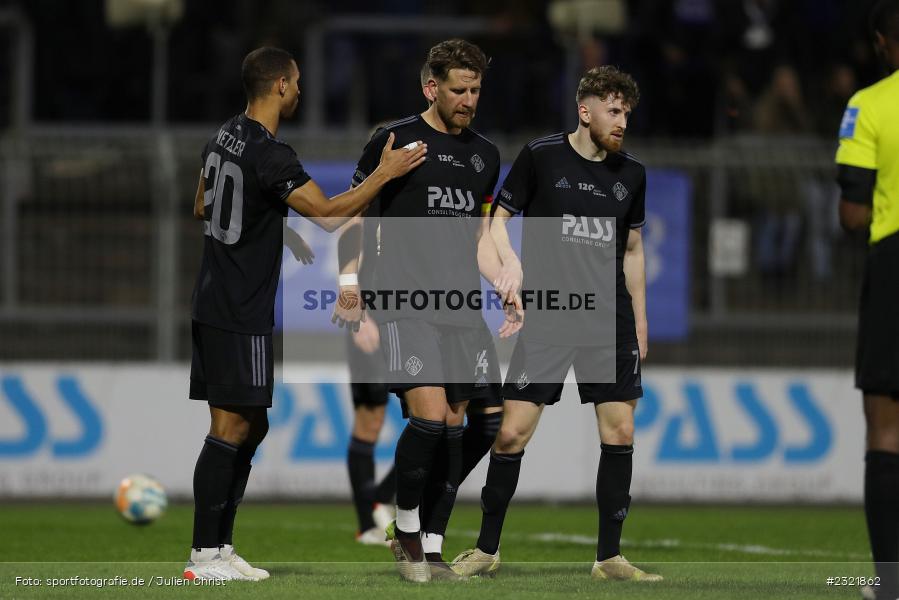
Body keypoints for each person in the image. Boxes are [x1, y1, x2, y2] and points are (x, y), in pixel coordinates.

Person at [185, 46, 426, 582]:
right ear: (279, 86)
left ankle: (220, 547)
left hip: (215, 298)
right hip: (238, 307)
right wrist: (383, 173)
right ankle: (204, 555)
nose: (299, 90)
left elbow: (202, 204)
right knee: (230, 428)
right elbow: (332, 215)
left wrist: (270, 225)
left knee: (253, 424)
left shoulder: (224, 134)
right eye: (295, 83)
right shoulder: (272, 154)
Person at [451, 65, 662, 582]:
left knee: (620, 430)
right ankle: (486, 549)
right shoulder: (542, 156)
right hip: (549, 318)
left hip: (609, 322)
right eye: (614, 111)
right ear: (585, 111)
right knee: (511, 435)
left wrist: (640, 321)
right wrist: (510, 267)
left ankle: (609, 558)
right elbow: (497, 222)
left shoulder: (632, 174)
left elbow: (633, 250)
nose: (622, 122)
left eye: (627, 113)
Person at [339, 38, 518, 583]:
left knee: (470, 422)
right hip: (405, 301)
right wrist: (349, 283)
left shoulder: (485, 155)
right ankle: (407, 531)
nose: (469, 100)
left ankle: (433, 546)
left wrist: (503, 280)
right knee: (430, 417)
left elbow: (479, 237)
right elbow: (355, 214)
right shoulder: (394, 140)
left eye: (476, 90)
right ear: (431, 88)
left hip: (461, 307)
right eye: (459, 90)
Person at [835, 2, 899, 598]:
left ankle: (890, 583)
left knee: (886, 429)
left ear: (882, 43)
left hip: (894, 264)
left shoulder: (869, 104)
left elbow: (853, 214)